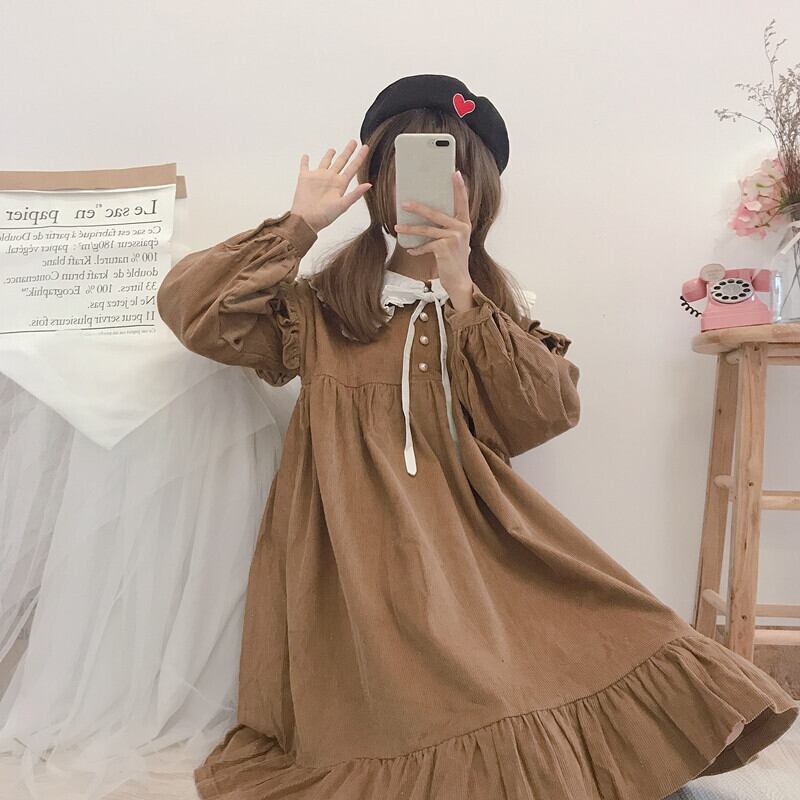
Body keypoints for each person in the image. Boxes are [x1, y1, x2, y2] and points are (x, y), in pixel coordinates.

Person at [155, 74, 799, 800]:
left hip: (479, 539)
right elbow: (193, 311)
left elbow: (540, 416)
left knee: (620, 632)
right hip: (354, 553)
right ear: (380, 180)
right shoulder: (322, 309)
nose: (428, 188)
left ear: (480, 190)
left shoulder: (487, 310)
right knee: (436, 707)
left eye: (450, 170)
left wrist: (462, 287)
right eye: (409, 166)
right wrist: (297, 226)